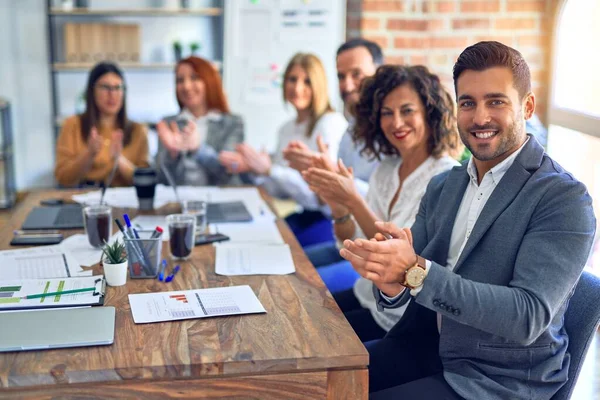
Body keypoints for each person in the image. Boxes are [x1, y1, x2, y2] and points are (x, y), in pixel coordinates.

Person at [339, 41, 596, 399]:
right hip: (426, 346)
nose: (479, 118)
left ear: (528, 106)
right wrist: (389, 274)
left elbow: (527, 317)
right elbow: (408, 284)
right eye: (468, 103)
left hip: (496, 378)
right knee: (317, 384)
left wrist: (414, 271)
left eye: (496, 101)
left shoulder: (564, 198)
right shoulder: (446, 184)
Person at [303, 65, 462, 341]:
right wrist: (339, 207)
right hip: (365, 295)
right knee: (297, 316)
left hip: (399, 320)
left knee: (313, 341)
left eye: (407, 110)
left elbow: (398, 260)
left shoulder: (445, 177)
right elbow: (349, 244)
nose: (396, 122)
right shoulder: (386, 169)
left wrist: (353, 199)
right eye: (387, 113)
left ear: (429, 112)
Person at [281, 38, 384, 248]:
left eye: (357, 74)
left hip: (374, 245)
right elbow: (335, 207)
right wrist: (325, 178)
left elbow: (383, 198)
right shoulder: (349, 132)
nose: (347, 85)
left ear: (380, 73)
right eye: (341, 76)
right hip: (349, 238)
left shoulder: (391, 131)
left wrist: (331, 178)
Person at [218, 53, 346, 212]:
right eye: (292, 79)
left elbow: (318, 198)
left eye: (307, 81)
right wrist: (254, 168)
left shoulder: (330, 123)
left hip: (329, 218)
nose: (297, 88)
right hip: (300, 212)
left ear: (318, 85)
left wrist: (270, 170)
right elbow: (279, 192)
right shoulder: (286, 129)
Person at [55, 62, 149, 187]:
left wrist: (118, 159)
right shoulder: (72, 124)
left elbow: (145, 181)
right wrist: (89, 154)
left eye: (118, 88)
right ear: (92, 91)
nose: (112, 94)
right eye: (105, 87)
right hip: (82, 197)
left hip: (123, 200)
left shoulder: (138, 130)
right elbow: (63, 178)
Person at [156, 56, 244, 186]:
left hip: (220, 202)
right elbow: (161, 179)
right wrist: (172, 155)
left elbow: (228, 172)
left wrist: (199, 149)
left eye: (194, 78)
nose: (186, 86)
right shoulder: (169, 124)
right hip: (181, 202)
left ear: (209, 81)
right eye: (180, 80)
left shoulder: (232, 123)